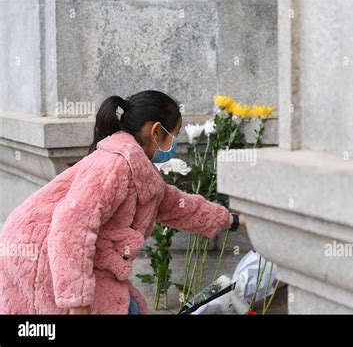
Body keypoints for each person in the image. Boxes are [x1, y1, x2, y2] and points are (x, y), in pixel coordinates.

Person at [0, 90, 245, 314]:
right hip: (40, 254)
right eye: (175, 135)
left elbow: (175, 204)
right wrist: (78, 302)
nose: (174, 145)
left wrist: (233, 220)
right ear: (156, 130)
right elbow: (71, 226)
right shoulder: (114, 165)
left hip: (67, 256)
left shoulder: (137, 169)